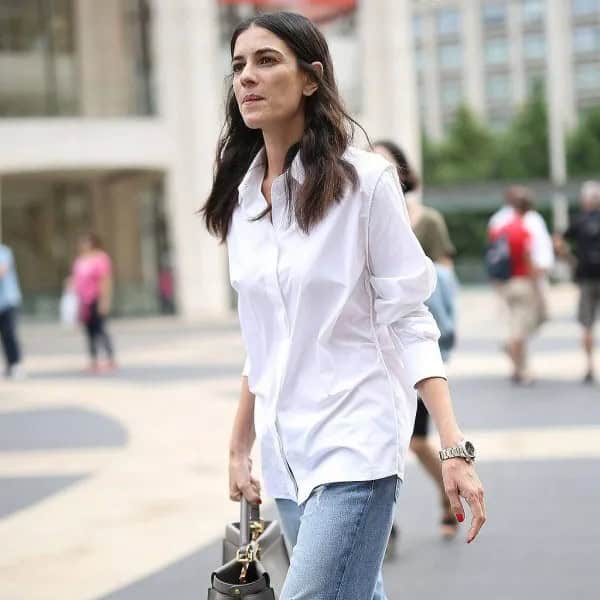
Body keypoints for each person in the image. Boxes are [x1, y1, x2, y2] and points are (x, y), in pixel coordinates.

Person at [202, 12, 485, 600]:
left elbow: (409, 316)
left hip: (357, 442)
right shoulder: (241, 203)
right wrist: (239, 445)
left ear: (311, 78)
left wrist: (454, 446)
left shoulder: (367, 182)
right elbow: (263, 342)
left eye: (266, 60)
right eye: (238, 66)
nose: (246, 77)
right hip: (286, 455)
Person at [374, 140, 459, 543]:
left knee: (418, 441)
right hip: (371, 348)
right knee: (374, 439)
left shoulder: (427, 221)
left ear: (403, 173)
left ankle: (446, 491)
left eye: (385, 163)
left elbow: (445, 278)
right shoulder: (356, 213)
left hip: (413, 341)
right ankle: (377, 521)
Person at [489, 190, 539, 384]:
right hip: (521, 281)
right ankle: (515, 357)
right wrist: (534, 282)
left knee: (513, 323)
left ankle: (517, 368)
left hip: (504, 282)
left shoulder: (500, 229)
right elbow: (527, 259)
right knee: (520, 328)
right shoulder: (523, 230)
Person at [489, 185, 554, 327]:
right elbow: (525, 252)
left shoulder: (532, 219)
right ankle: (515, 343)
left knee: (525, 317)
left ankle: (515, 343)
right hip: (520, 275)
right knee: (521, 316)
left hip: (524, 273)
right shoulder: (505, 221)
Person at [561, 181, 600, 383]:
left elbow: (558, 241)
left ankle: (590, 366)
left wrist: (570, 260)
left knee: (587, 324)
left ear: (585, 200)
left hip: (586, 277)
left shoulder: (579, 221)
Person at [71, 233, 116, 373]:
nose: (84, 245)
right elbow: (76, 280)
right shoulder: (79, 260)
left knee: (101, 330)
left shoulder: (101, 258)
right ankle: (93, 360)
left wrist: (105, 300)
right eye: (82, 243)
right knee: (89, 331)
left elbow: (106, 280)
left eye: (87, 242)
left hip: (97, 298)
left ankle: (110, 359)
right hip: (84, 300)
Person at [0, 243, 25, 379]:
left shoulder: (3, 251)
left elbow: (2, 271)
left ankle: (16, 364)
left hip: (8, 301)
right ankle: (9, 365)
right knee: (4, 336)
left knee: (9, 333)